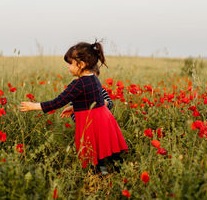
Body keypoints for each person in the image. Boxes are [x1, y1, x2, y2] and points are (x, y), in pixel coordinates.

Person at [20, 41, 128, 174]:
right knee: (107, 146)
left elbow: (58, 102)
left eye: (70, 63)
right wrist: (74, 108)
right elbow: (95, 99)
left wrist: (34, 106)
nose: (68, 67)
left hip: (91, 122)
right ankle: (120, 170)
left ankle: (102, 174)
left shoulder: (77, 84)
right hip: (104, 118)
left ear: (81, 64)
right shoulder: (94, 78)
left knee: (94, 150)